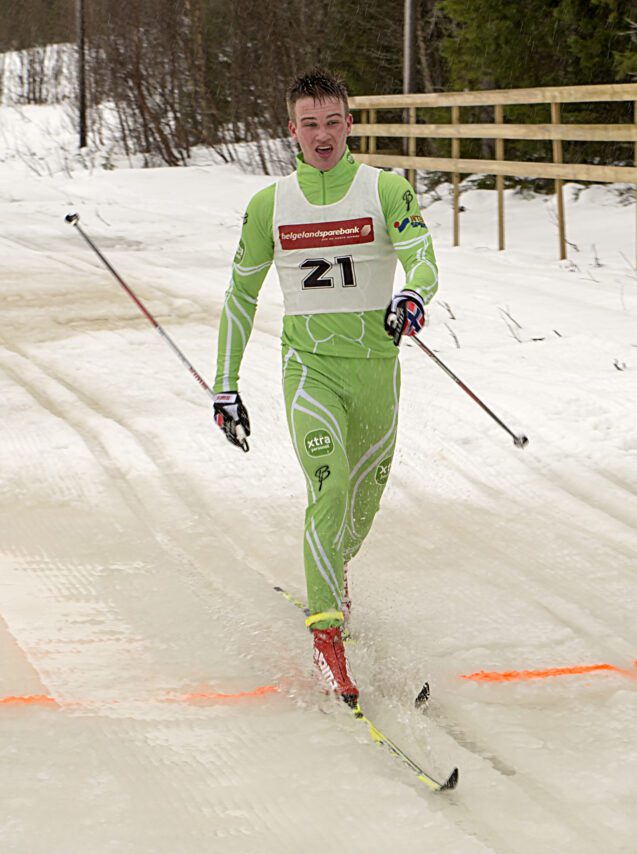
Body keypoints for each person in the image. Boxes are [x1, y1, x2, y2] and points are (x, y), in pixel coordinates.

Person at [211, 68, 438, 706]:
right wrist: (225, 387)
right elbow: (240, 297)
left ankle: (333, 576)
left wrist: (414, 295)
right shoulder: (269, 205)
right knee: (328, 487)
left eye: (332, 121)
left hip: (376, 375)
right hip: (310, 371)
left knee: (356, 514)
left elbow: (423, 257)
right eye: (309, 123)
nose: (322, 135)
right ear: (292, 130)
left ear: (349, 123)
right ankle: (326, 637)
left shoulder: (386, 189)